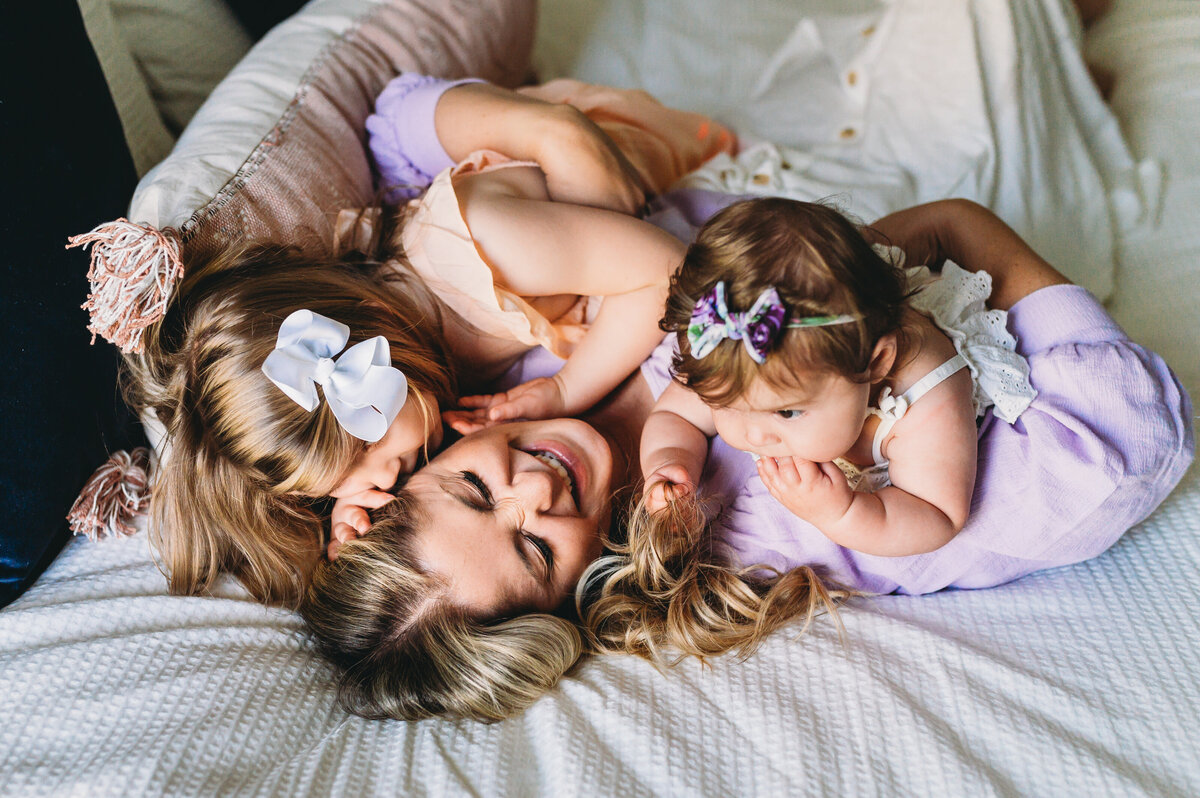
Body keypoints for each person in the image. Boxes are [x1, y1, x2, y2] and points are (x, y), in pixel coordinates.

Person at [302, 199, 1194, 720]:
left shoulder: (508, 366)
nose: (534, 485)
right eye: (534, 548)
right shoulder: (760, 516)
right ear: (566, 599)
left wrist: (351, 469)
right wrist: (969, 249)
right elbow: (1122, 452)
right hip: (965, 315)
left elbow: (399, 139)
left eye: (472, 486)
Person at [102, 77, 729, 606]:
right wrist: (360, 532)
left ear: (371, 357)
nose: (375, 483)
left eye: (362, 462)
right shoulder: (426, 377)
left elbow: (670, 273)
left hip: (673, 146)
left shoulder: (488, 256)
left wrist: (564, 390)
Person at [640, 197, 1036, 557]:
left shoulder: (926, 399)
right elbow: (673, 416)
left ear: (877, 363)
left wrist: (843, 513)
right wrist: (669, 462)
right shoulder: (737, 359)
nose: (755, 437)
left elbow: (938, 514)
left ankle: (945, 226)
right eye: (725, 405)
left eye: (788, 413)